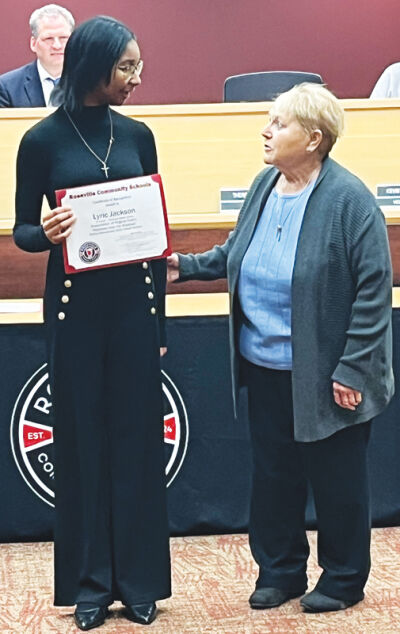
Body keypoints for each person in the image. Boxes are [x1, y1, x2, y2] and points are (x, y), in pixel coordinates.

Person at [168, 83, 394, 613]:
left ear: (314, 138)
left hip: (328, 374)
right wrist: (188, 267)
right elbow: (238, 250)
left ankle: (342, 578)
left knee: (337, 483)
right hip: (265, 366)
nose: (266, 131)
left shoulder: (350, 200)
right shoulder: (265, 184)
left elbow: (372, 294)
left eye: (279, 123)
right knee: (274, 478)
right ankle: (281, 571)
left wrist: (352, 371)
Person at [14, 16, 170, 631]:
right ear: (92, 66)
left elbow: (155, 232)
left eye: (137, 65)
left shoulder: (139, 133)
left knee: (136, 443)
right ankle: (88, 584)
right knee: (80, 444)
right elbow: (25, 227)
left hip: (134, 307)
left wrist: (158, 324)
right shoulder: (42, 141)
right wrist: (45, 234)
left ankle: (138, 582)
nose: (137, 77)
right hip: (75, 313)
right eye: (126, 67)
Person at [0, 4, 74, 107]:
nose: (57, 46)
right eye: (49, 38)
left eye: (63, 38)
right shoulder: (7, 87)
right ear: (33, 44)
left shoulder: (90, 82)